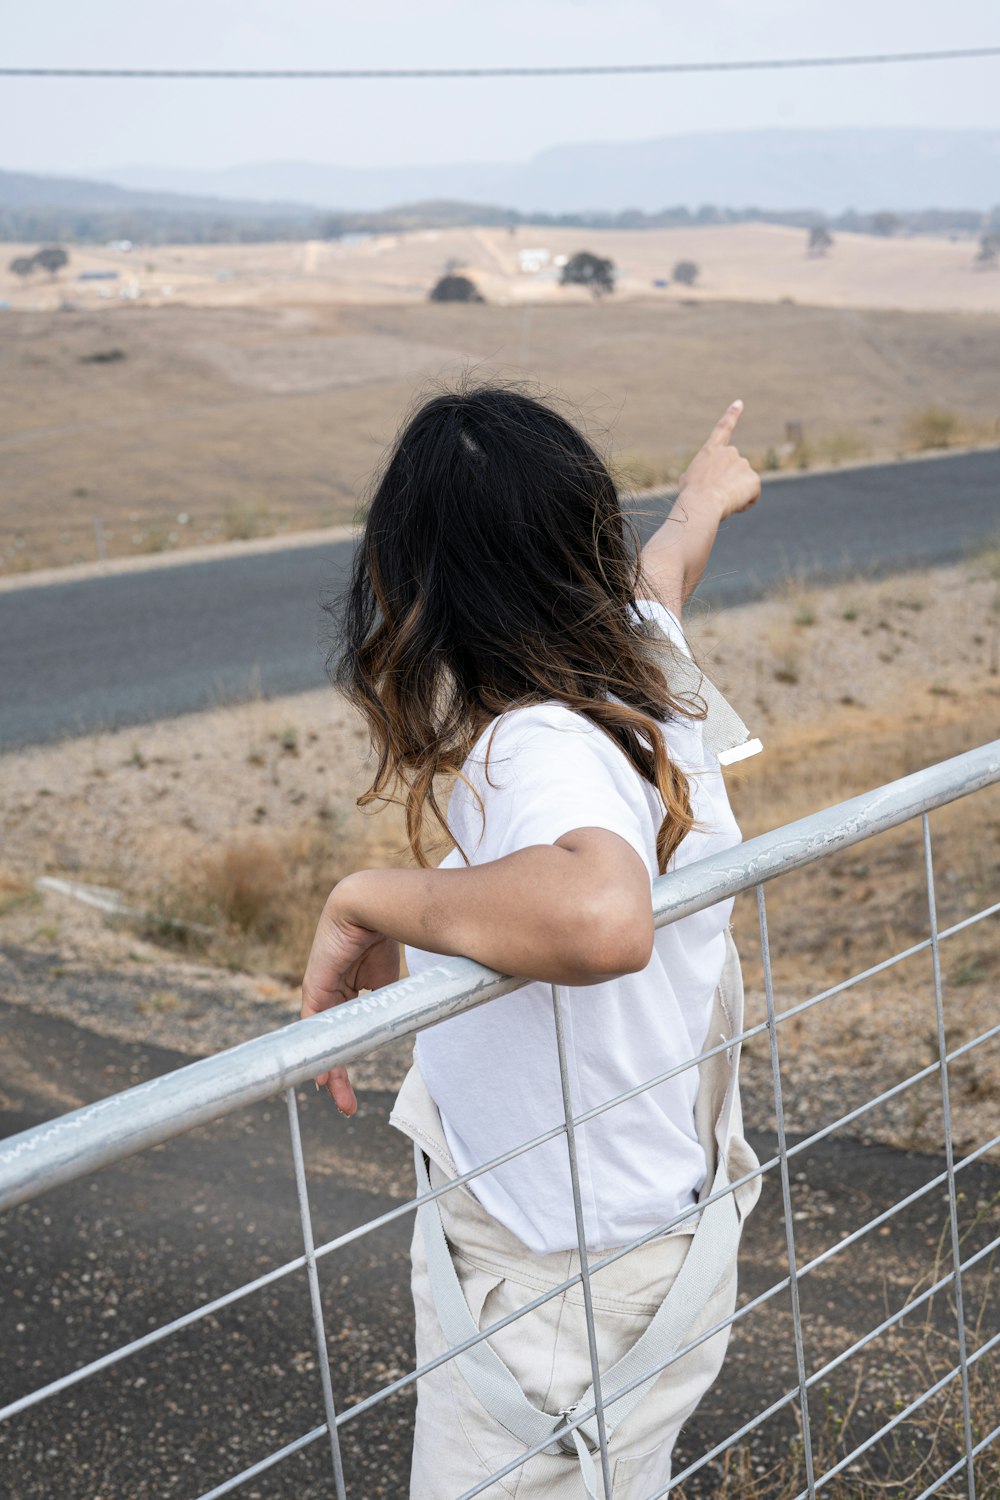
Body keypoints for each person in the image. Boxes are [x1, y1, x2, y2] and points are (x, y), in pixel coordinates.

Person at [301, 383, 763, 1497]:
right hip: (654, 1237)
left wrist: (368, 898)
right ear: (583, 544)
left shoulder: (534, 744)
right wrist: (704, 498)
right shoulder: (643, 666)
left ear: (418, 586)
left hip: (554, 1283)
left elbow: (602, 917)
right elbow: (666, 572)